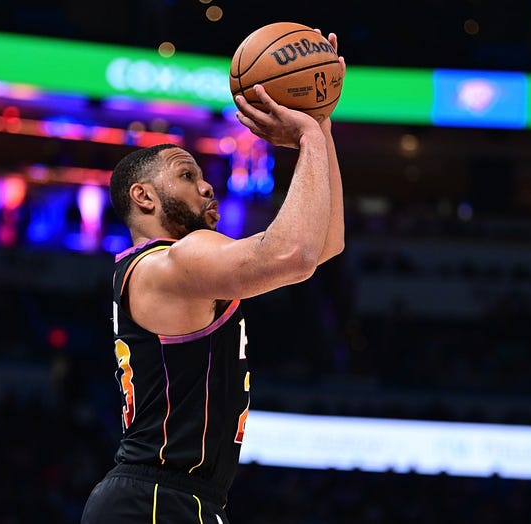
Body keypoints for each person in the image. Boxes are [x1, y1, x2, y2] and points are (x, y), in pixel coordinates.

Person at [81, 32, 345, 524]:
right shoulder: (175, 260)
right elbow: (297, 251)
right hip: (156, 500)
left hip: (172, 498)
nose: (206, 184)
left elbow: (324, 246)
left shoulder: (167, 265)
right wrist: (307, 138)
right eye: (186, 175)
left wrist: (321, 124)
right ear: (144, 197)